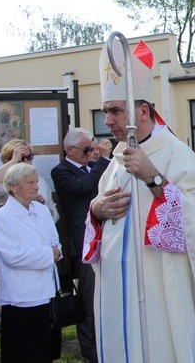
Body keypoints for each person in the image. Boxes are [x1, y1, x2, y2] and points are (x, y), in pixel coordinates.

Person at [82, 39, 195, 362]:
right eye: (105, 112)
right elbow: (100, 219)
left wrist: (154, 179)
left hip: (162, 292)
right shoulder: (114, 164)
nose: (108, 121)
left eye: (115, 111)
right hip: (120, 293)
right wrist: (95, 211)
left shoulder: (176, 155)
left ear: (143, 111)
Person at [50, 128, 112, 362]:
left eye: (93, 148)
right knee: (89, 302)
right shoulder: (61, 171)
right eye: (87, 149)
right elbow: (83, 187)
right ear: (71, 150)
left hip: (105, 238)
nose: (92, 153)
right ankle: (90, 353)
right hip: (84, 244)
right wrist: (102, 159)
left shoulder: (92, 168)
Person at [0, 163, 62, 363]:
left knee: (44, 350)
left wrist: (55, 252)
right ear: (14, 187)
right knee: (23, 351)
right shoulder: (2, 217)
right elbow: (12, 256)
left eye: (36, 182)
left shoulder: (40, 209)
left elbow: (55, 241)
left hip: (46, 290)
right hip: (21, 296)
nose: (36, 186)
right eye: (30, 183)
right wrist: (49, 254)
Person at [0, 139, 59, 223]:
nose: (25, 161)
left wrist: (42, 207)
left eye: (29, 157)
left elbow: (54, 213)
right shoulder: (6, 181)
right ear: (6, 160)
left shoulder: (40, 181)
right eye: (21, 158)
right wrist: (15, 160)